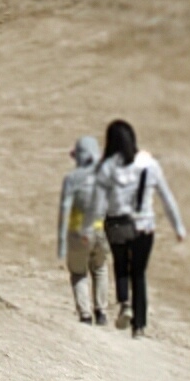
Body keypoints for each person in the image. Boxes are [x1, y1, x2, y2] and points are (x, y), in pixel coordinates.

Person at [98, 118, 187, 335]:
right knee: (138, 273)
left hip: (117, 223)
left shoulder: (106, 168)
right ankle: (139, 326)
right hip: (144, 226)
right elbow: (166, 197)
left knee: (120, 265)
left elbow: (98, 200)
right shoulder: (150, 165)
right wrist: (178, 227)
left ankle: (124, 304)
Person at [56, 135, 115, 324]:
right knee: (100, 269)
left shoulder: (72, 178)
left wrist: (61, 241)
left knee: (78, 273)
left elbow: (65, 207)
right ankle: (102, 312)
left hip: (78, 232)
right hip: (100, 230)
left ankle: (85, 314)